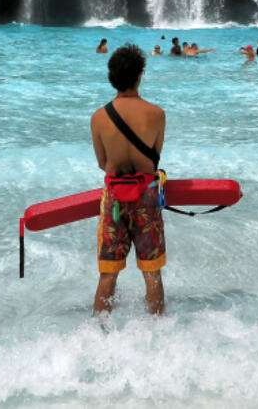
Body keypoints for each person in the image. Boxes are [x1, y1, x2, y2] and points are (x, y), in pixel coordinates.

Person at [90, 43, 166, 315]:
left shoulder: (98, 118)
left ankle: (98, 333)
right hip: (146, 194)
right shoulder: (157, 114)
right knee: (152, 271)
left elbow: (103, 164)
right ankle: (158, 332)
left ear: (112, 78)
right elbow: (155, 158)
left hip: (114, 200)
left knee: (108, 274)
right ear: (139, 75)